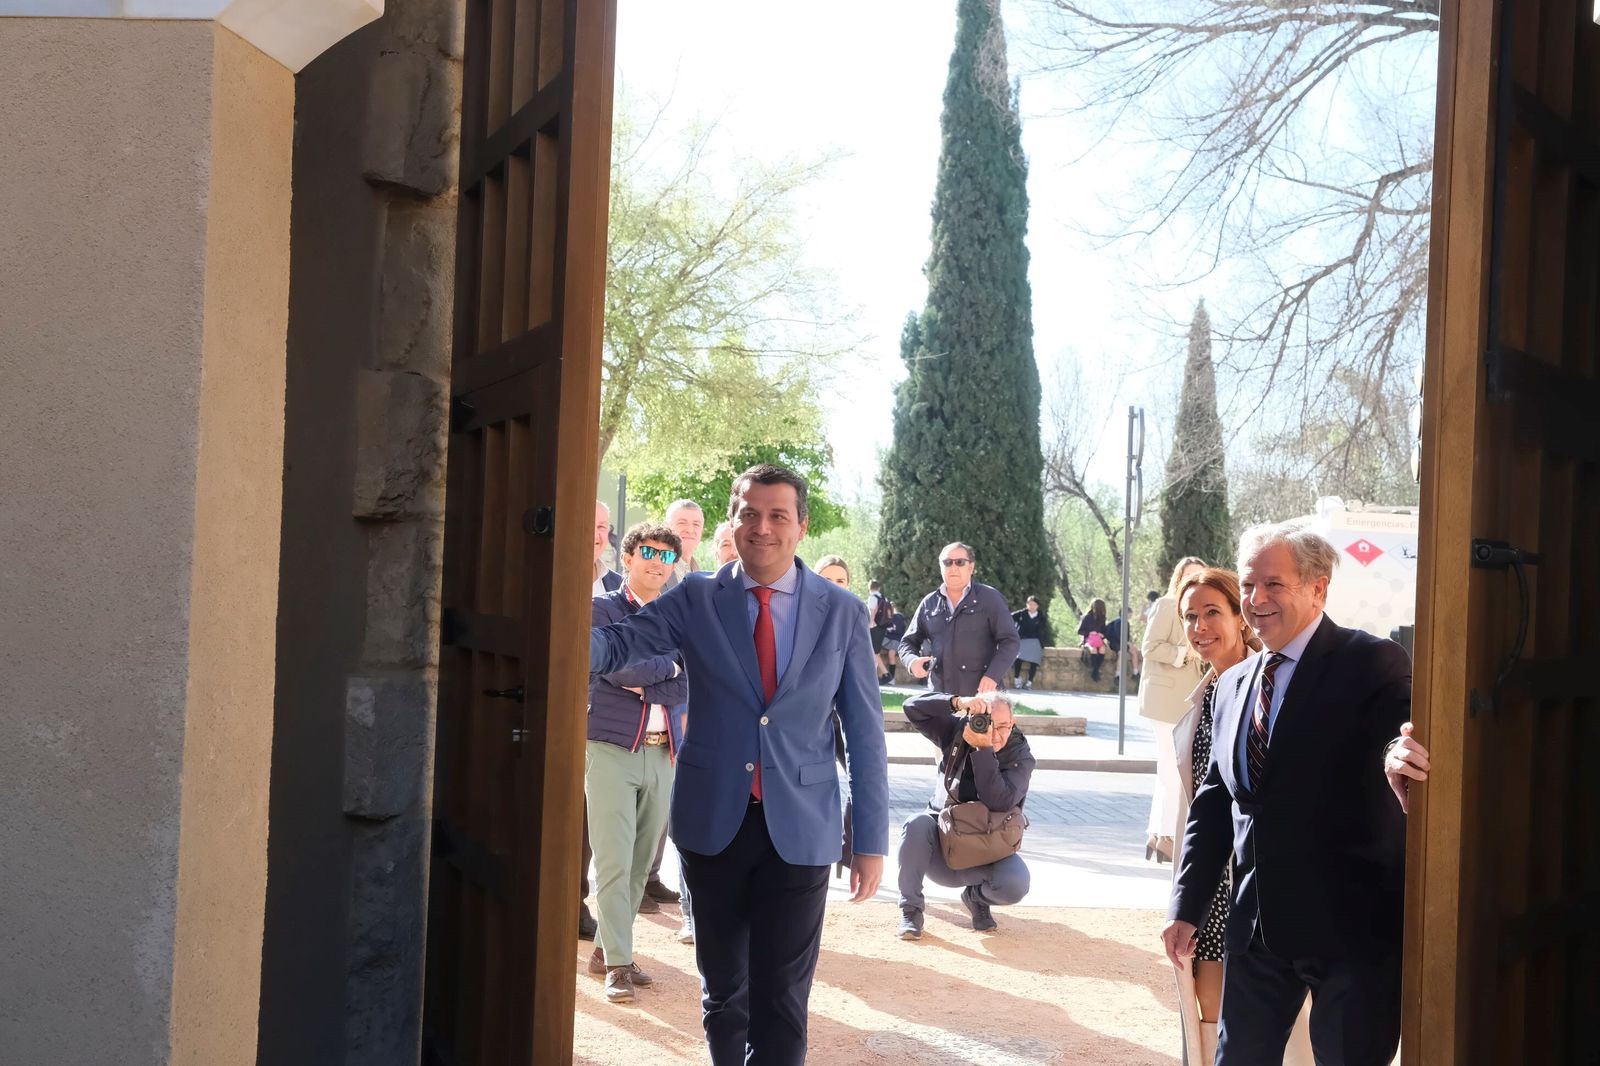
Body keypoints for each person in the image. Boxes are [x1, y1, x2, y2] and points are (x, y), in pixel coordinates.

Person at [589, 463, 888, 1065]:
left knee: (782, 999)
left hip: (802, 829)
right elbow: (616, 646)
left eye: (778, 515)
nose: (762, 527)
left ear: (800, 526)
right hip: (712, 823)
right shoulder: (696, 597)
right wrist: (553, 612)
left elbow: (863, 731)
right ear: (733, 520)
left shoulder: (842, 611)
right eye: (749, 513)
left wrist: (871, 838)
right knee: (725, 996)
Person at [1161, 523, 1411, 1065]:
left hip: (1351, 931)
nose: (1256, 600)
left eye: (1274, 584)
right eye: (1249, 585)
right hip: (1256, 931)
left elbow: (1400, 742)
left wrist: (1399, 756)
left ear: (1318, 588)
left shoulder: (1372, 663)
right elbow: (1214, 805)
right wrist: (1187, 907)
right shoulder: (1232, 684)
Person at [1169, 568, 1313, 1064]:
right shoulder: (1208, 692)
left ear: (1239, 616)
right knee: (1210, 1009)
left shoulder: (1269, 681)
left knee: (1276, 1017)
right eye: (1190, 616)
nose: (1200, 626)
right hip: (1213, 878)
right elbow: (1200, 803)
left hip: (1259, 877)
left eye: (1212, 612)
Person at [584, 523, 690, 1003]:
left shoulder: (681, 618)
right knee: (611, 860)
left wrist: (660, 675)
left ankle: (606, 950)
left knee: (639, 863)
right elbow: (610, 667)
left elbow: (689, 683)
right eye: (648, 552)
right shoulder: (603, 609)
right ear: (628, 557)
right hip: (610, 749)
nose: (657, 562)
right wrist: (667, 667)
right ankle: (619, 966)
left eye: (667, 556)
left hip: (661, 752)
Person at [896, 690, 1033, 939]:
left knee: (1015, 884)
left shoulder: (1020, 756)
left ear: (1012, 723)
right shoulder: (958, 731)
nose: (996, 734)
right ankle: (910, 911)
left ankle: (976, 899)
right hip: (942, 850)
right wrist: (957, 702)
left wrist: (984, 751)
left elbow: (999, 801)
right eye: (989, 725)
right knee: (915, 824)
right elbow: (911, 707)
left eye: (1003, 726)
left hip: (988, 851)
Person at [1141, 557, 1208, 863]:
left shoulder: (1200, 609)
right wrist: (1184, 653)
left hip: (1183, 699)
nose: (1193, 582)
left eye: (1200, 576)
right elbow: (1150, 646)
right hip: (1165, 699)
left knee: (1167, 772)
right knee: (1173, 772)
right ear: (1177, 578)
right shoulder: (1168, 605)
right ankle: (1167, 836)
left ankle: (1157, 835)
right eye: (1188, 576)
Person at [580, 499, 624, 940]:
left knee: (594, 821)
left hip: (604, 721)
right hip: (563, 715)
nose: (599, 535)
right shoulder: (558, 577)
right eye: (592, 525)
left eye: (605, 527)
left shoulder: (616, 587)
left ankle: (579, 901)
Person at [899, 542, 1021, 698]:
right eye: (947, 562)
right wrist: (911, 662)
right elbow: (907, 642)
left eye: (960, 562)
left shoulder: (990, 599)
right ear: (941, 567)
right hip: (940, 698)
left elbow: (1010, 641)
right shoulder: (929, 603)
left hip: (981, 697)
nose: (953, 567)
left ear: (971, 567)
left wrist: (993, 675)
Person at [1010, 595, 1052, 689]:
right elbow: (1009, 618)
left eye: (1034, 604)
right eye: (1030, 604)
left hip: (1035, 641)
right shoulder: (1021, 614)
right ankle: (1017, 678)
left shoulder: (1041, 617)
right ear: (1027, 605)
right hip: (1023, 640)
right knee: (1018, 658)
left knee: (1034, 661)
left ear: (1037, 606)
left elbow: (1042, 630)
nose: (1032, 606)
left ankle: (1029, 682)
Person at [662, 498, 706, 587]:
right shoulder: (654, 570)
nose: (690, 530)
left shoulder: (702, 576)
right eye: (682, 523)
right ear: (666, 527)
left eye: (696, 524)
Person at [1077, 598, 1110, 682]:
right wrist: (1089, 633)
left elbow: (1104, 631)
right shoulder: (1086, 618)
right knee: (1093, 650)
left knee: (1102, 649)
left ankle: (1095, 671)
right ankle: (1095, 672)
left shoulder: (1102, 618)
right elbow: (1080, 631)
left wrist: (1101, 634)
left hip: (1098, 640)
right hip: (1088, 640)